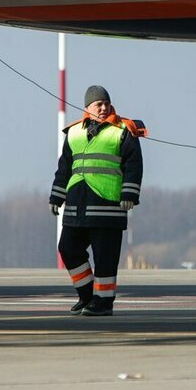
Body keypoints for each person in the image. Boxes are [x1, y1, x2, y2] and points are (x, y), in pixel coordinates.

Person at [49, 85, 146, 316]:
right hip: (76, 207)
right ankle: (86, 295)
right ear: (87, 108)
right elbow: (64, 168)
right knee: (68, 248)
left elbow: (134, 165)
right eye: (98, 104)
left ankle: (103, 302)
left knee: (105, 259)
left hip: (108, 208)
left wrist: (129, 194)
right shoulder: (73, 133)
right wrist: (56, 195)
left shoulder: (123, 130)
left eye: (106, 103)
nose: (103, 108)